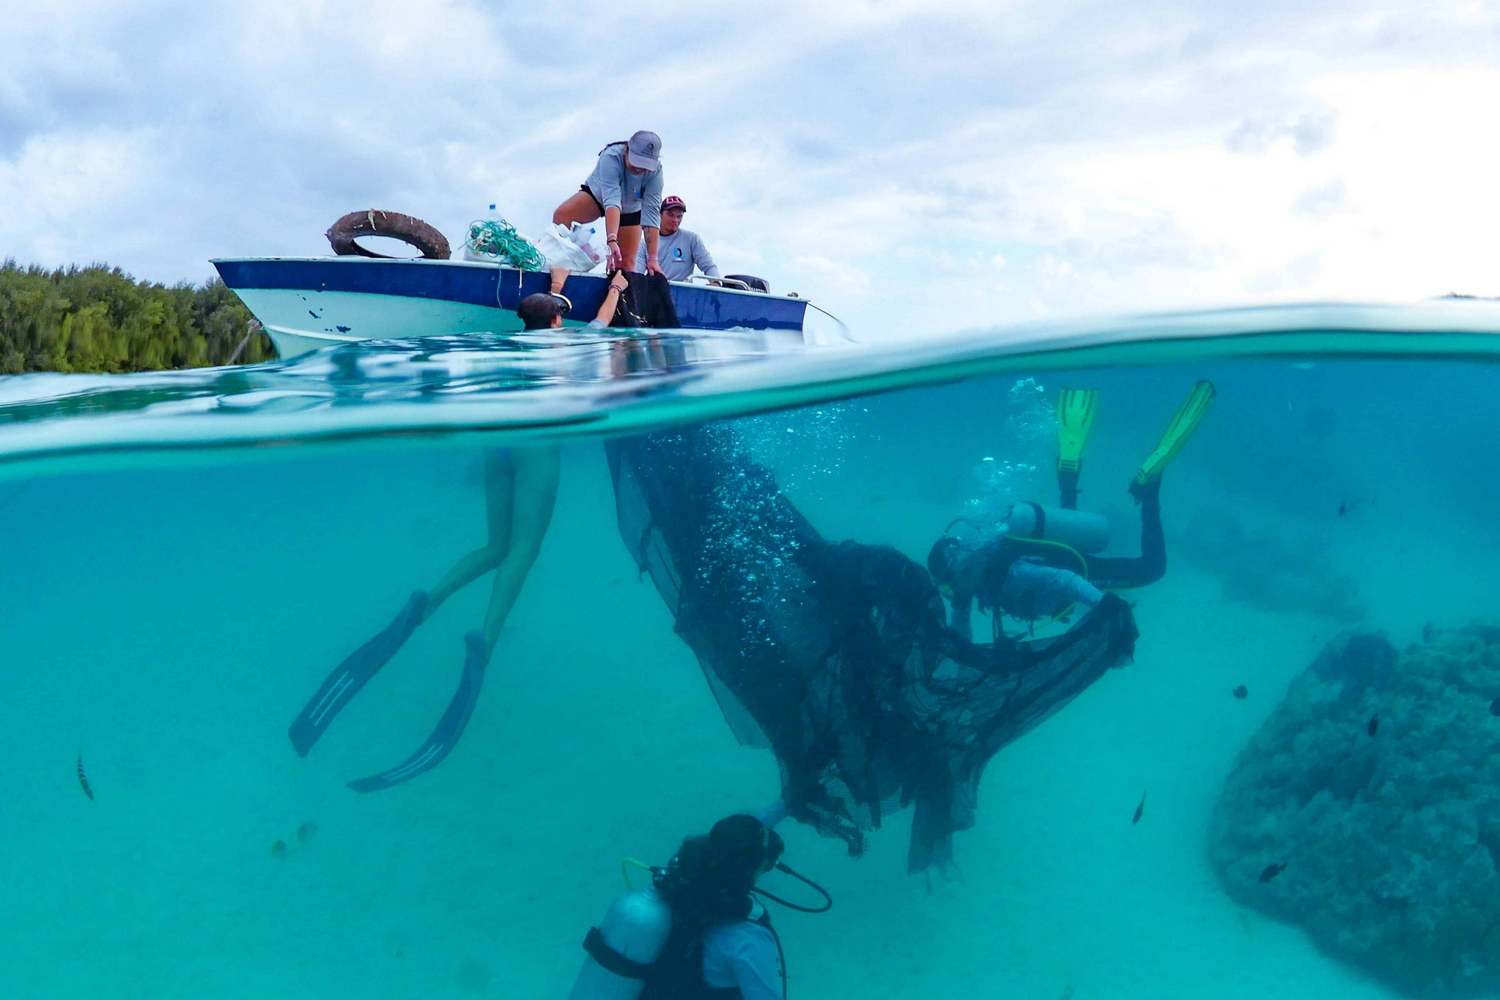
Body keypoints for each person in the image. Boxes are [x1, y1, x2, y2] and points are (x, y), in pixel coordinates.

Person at [607, 421, 1138, 873]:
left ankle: (1131, 493)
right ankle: (1081, 491)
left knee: (1147, 569)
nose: (956, 585)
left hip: (1074, 586)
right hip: (886, 672)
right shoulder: (918, 598)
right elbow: (957, 642)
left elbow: (968, 638)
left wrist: (1100, 607)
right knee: (822, 758)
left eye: (955, 576)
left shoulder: (1000, 571)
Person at [283, 276, 639, 791]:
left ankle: (427, 602)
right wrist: (614, 289)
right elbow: (604, 325)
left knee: (495, 545)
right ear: (557, 322)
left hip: (496, 446)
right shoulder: (568, 343)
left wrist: (555, 286)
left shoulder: (507, 344)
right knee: (524, 549)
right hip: (538, 446)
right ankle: (484, 640)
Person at [929, 381, 1215, 639]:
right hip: (1055, 552)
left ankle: (1149, 488)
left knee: (1152, 569)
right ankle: (1069, 469)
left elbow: (1062, 579)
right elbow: (960, 632)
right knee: (1067, 534)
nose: (956, 596)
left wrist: (1103, 603)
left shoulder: (1009, 572)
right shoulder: (971, 580)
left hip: (1073, 567)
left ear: (956, 572)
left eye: (953, 587)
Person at [571, 813, 825, 1000]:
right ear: (753, 869)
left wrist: (786, 805)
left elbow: (731, 840)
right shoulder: (747, 937)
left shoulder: (670, 894)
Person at [553, 130, 666, 277]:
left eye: (645, 165)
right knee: (562, 216)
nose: (639, 169)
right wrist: (611, 240)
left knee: (625, 264)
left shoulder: (656, 172)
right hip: (598, 197)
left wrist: (652, 258)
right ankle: (557, 268)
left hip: (632, 208)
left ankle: (619, 295)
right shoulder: (611, 156)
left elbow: (651, 212)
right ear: (627, 150)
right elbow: (612, 200)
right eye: (637, 161)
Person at [634, 196, 720, 281]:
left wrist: (716, 283)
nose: (675, 220)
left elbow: (709, 266)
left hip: (683, 292)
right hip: (655, 291)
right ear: (660, 214)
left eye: (679, 216)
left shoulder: (692, 239)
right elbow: (637, 273)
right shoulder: (645, 243)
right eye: (670, 215)